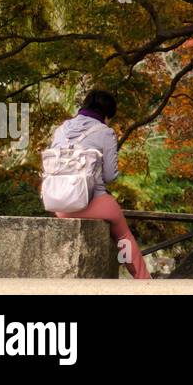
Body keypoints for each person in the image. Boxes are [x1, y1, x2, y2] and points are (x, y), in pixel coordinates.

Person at [48, 90, 151, 280]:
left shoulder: (61, 129)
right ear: (107, 114)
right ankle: (144, 280)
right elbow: (110, 176)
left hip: (60, 205)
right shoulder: (105, 132)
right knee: (123, 236)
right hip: (91, 201)